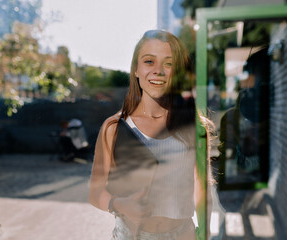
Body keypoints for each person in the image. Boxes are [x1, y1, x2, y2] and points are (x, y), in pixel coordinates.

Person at [89, 30, 214, 240]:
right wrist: (118, 204)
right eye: (149, 61)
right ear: (136, 69)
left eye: (169, 63)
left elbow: (202, 187)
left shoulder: (195, 127)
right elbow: (95, 193)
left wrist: (205, 232)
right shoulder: (113, 128)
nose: (159, 71)